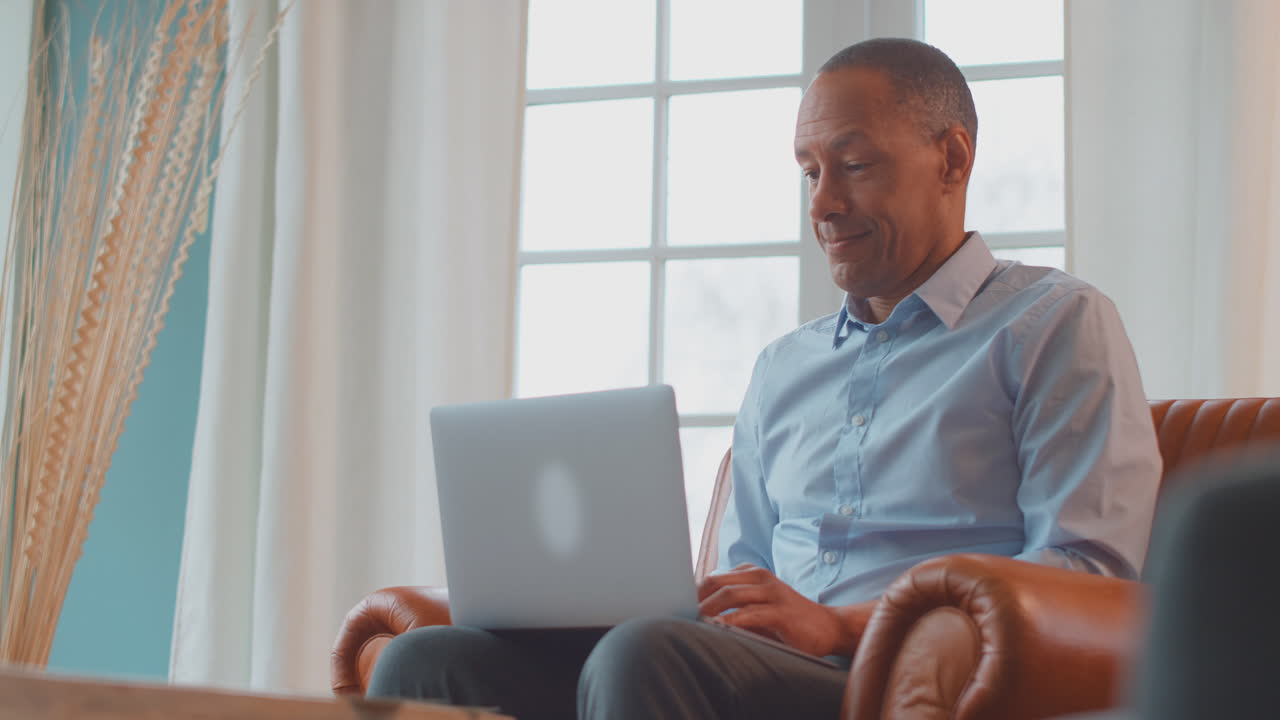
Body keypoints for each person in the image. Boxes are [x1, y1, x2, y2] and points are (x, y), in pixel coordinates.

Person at [366, 38, 1161, 720]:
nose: (825, 202)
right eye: (810, 170)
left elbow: (1089, 577)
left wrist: (844, 625)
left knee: (647, 657)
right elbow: (742, 582)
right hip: (750, 671)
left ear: (951, 159)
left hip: (888, 679)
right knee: (428, 665)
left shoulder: (1054, 324)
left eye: (853, 164)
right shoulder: (786, 366)